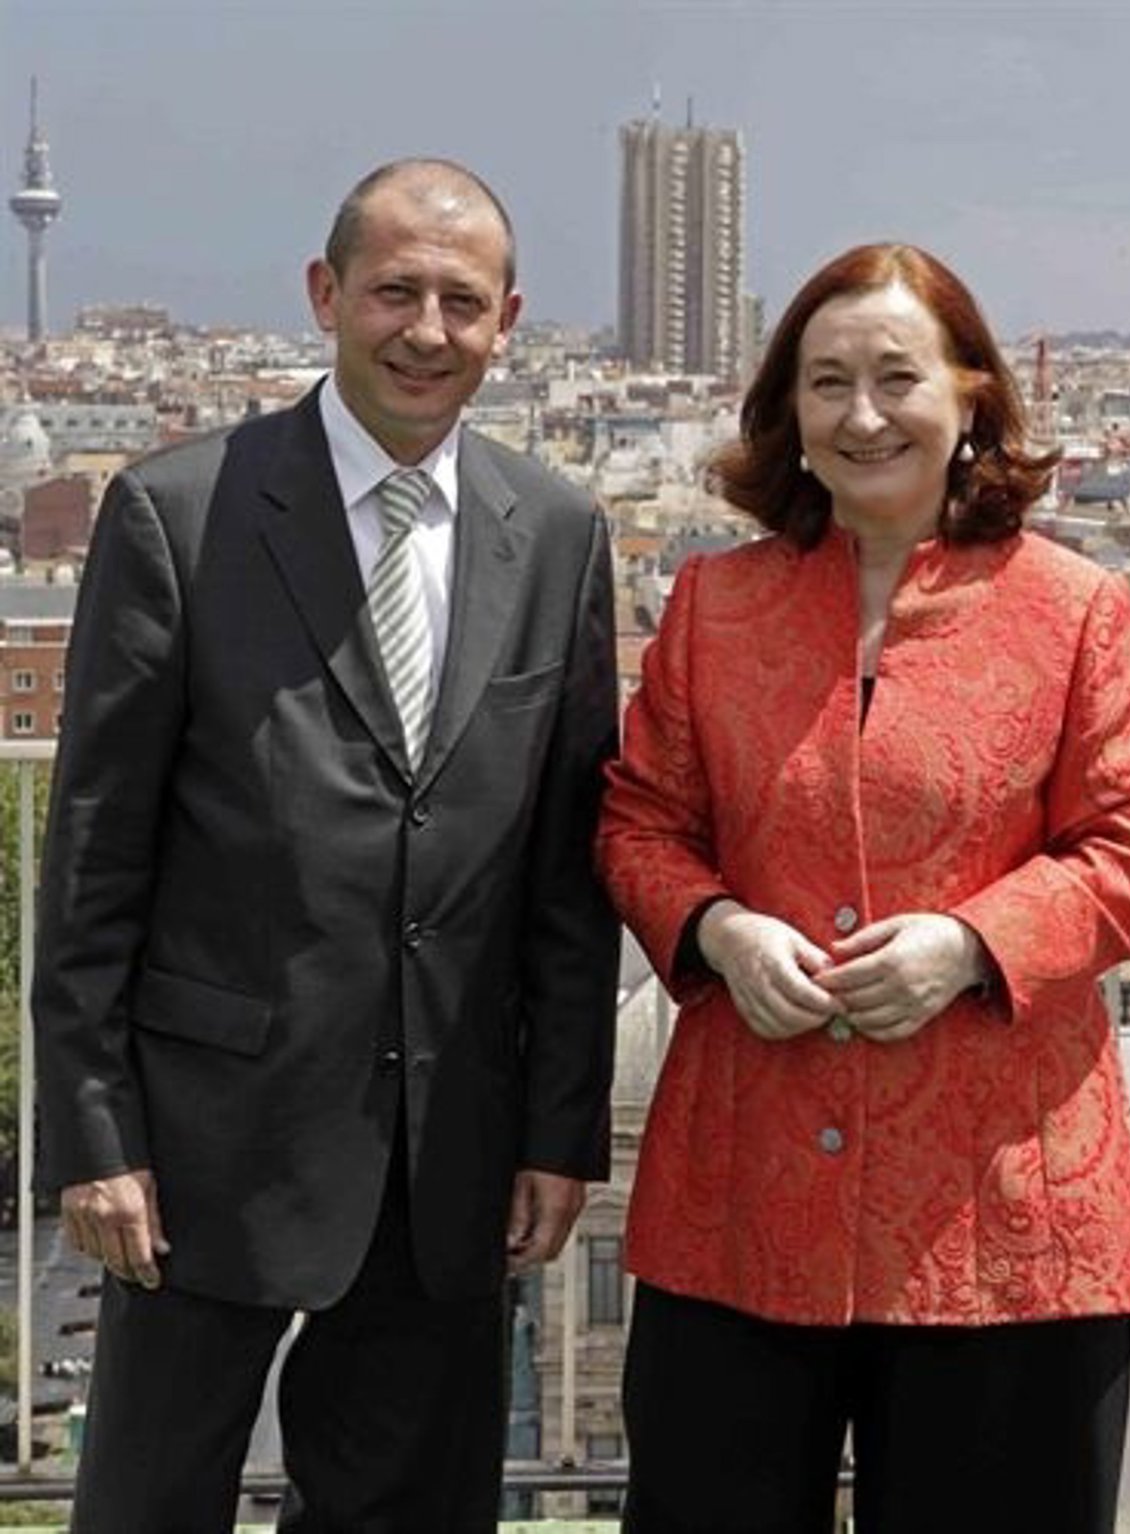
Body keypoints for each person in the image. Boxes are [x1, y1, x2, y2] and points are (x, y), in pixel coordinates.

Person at [33, 158, 619, 1533]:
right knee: (151, 1505)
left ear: (508, 321)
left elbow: (565, 876)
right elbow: (96, 856)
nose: (427, 330)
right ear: (325, 294)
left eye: (462, 302)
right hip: (202, 1146)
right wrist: (94, 1134)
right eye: (395, 292)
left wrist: (559, 1130)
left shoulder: (558, 535)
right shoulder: (181, 510)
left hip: (446, 1153)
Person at [597, 243, 1130, 1534]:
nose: (863, 414)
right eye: (827, 382)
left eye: (897, 377)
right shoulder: (712, 605)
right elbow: (641, 821)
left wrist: (970, 944)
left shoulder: (1075, 609)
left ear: (972, 395)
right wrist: (718, 928)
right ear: (789, 413)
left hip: (1003, 1216)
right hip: (744, 1199)